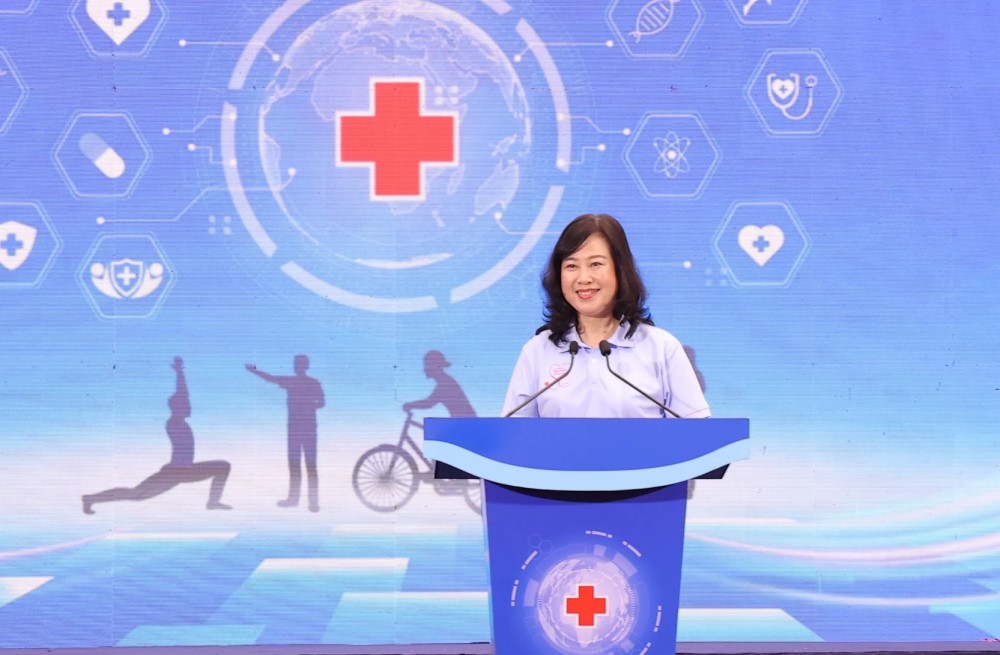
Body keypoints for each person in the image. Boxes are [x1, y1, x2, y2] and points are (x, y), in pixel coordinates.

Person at [502, 213, 710, 419]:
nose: (583, 278)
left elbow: (697, 432)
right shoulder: (537, 350)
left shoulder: (661, 348)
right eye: (571, 266)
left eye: (596, 264)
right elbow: (513, 433)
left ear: (620, 270)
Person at [82, 357, 232, 514]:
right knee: (136, 495)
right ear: (178, 408)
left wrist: (180, 373)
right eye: (186, 405)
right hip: (175, 472)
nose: (190, 407)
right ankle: (90, 498)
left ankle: (213, 502)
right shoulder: (175, 422)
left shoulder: (180, 421)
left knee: (223, 466)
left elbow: (184, 396)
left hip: (184, 470)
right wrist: (179, 373)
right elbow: (183, 394)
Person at [246, 355, 325, 512]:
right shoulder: (308, 382)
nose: (296, 366)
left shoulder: (301, 382)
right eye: (296, 364)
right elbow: (321, 403)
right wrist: (254, 370)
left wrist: (305, 406)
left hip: (301, 428)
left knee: (303, 465)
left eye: (298, 364)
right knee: (301, 465)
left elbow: (322, 403)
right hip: (301, 428)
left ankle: (305, 501)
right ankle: (304, 501)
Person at [403, 350, 476, 480]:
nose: (425, 369)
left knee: (438, 439)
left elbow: (429, 403)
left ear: (433, 367)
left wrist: (410, 405)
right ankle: (442, 471)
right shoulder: (445, 381)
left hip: (465, 422)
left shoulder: (445, 383)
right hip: (464, 421)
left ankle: (439, 472)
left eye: (427, 365)